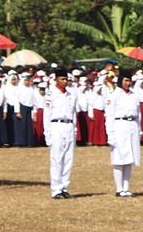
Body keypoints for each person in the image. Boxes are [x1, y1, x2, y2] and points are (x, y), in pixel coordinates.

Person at [45, 67, 84, 198]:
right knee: (57, 158)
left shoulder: (71, 94)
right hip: (56, 125)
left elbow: (73, 113)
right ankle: (56, 189)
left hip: (68, 125)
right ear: (56, 80)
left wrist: (74, 129)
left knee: (68, 159)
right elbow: (47, 114)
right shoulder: (51, 93)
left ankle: (64, 187)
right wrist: (47, 133)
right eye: (62, 79)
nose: (64, 81)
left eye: (66, 79)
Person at [105, 69, 142, 197]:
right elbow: (109, 116)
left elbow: (138, 114)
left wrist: (139, 129)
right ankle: (119, 188)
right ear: (121, 81)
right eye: (126, 80)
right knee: (119, 158)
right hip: (119, 126)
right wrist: (110, 134)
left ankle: (126, 188)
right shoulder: (114, 95)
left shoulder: (133, 95)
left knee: (130, 158)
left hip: (132, 126)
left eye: (130, 81)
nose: (128, 83)